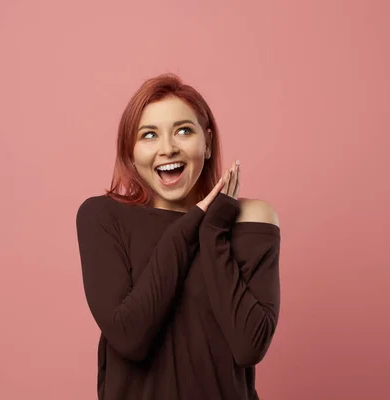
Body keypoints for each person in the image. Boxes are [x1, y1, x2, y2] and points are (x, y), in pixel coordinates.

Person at [75, 73, 281, 399]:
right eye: (149, 135)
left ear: (208, 141)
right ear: (130, 151)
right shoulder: (102, 217)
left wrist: (214, 231)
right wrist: (197, 219)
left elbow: (249, 346)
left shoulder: (250, 219)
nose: (168, 148)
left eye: (183, 131)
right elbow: (130, 336)